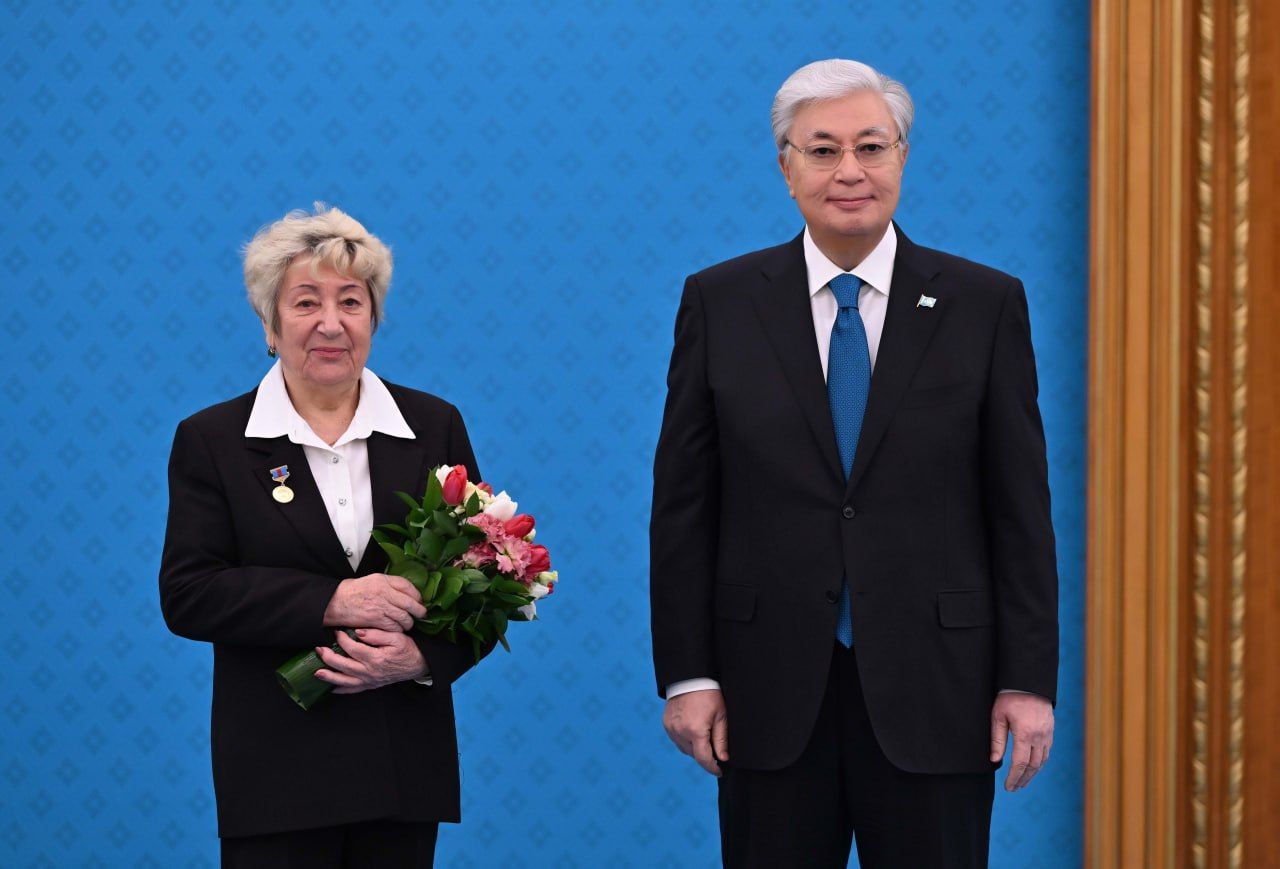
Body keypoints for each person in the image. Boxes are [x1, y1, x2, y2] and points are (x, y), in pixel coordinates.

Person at [649, 59, 1059, 868]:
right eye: (823, 149)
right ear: (786, 166)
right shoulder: (721, 301)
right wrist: (688, 674)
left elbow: (1019, 509)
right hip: (768, 687)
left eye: (871, 147)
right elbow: (685, 506)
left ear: (902, 156)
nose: (849, 171)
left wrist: (1026, 679)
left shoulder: (983, 303)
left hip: (939, 687)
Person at [159, 203, 483, 867]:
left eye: (351, 302)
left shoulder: (433, 425)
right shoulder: (214, 440)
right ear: (270, 323)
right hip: (275, 774)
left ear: (373, 319)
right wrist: (333, 601)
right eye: (306, 302)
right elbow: (190, 593)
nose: (331, 323)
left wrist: (423, 659)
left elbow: (485, 578)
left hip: (401, 766)